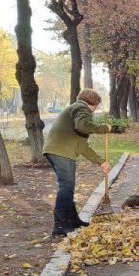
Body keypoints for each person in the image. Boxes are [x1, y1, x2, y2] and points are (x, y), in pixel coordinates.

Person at [43, 89, 111, 236]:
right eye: (97, 106)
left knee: (68, 187)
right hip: (61, 151)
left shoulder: (75, 109)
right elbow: (83, 125)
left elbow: (83, 147)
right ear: (93, 103)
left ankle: (73, 221)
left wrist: (100, 161)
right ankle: (60, 226)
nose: (95, 110)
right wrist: (103, 128)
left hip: (59, 151)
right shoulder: (82, 108)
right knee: (66, 187)